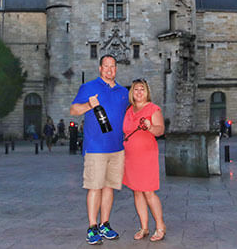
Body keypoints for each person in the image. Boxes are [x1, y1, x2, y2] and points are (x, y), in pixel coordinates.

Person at [70, 55, 129, 245]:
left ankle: (105, 224)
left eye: (113, 66)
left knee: (109, 187)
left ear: (116, 69)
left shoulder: (122, 91)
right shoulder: (88, 87)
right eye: (106, 66)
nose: (110, 70)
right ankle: (92, 226)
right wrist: (89, 105)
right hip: (96, 147)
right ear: (100, 68)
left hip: (117, 148)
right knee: (95, 187)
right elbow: (73, 110)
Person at [123, 79, 166, 242]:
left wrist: (150, 127)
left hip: (146, 156)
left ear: (147, 92)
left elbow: (160, 130)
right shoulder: (129, 110)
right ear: (132, 93)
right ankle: (144, 227)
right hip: (130, 157)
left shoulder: (153, 109)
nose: (139, 92)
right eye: (136, 90)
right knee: (137, 191)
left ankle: (160, 226)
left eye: (142, 89)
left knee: (148, 191)